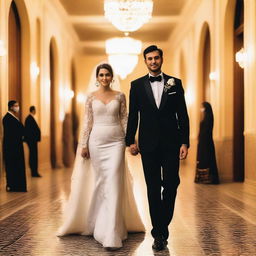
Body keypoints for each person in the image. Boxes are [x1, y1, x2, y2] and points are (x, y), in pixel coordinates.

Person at [57, 63, 144, 249]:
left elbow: (125, 119)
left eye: (107, 75)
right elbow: (87, 122)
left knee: (114, 182)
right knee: (101, 183)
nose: (104, 78)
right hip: (96, 143)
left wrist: (131, 141)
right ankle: (98, 224)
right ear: (97, 78)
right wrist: (83, 144)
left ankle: (112, 232)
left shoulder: (120, 96)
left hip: (116, 143)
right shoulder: (90, 97)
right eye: (101, 75)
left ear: (112, 77)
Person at [125, 45, 190, 251]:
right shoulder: (136, 86)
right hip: (149, 145)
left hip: (171, 144)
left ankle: (161, 225)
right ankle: (159, 234)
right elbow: (133, 115)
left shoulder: (175, 83)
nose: (153, 61)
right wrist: (130, 141)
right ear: (145, 61)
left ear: (162, 59)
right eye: (149, 59)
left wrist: (184, 142)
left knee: (171, 185)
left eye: (156, 58)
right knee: (153, 189)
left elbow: (183, 115)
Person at [2, 100, 27, 192]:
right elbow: (11, 134)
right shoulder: (7, 118)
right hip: (12, 147)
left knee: (17, 166)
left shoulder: (13, 117)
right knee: (12, 166)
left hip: (16, 146)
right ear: (11, 107)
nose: (18, 107)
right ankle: (13, 186)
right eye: (16, 105)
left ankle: (18, 186)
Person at [194, 102, 219, 184]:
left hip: (206, 142)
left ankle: (208, 178)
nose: (201, 109)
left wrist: (202, 138)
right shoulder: (205, 117)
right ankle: (202, 178)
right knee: (202, 159)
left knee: (207, 158)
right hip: (202, 142)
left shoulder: (209, 117)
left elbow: (206, 131)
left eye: (203, 107)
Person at [24, 106, 42, 177]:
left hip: (33, 141)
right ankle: (34, 172)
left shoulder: (30, 118)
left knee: (33, 155)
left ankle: (35, 171)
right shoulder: (29, 119)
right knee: (33, 156)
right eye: (35, 110)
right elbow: (29, 131)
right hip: (32, 141)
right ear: (33, 110)